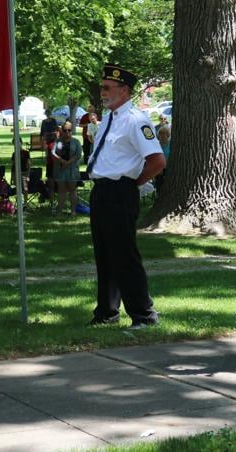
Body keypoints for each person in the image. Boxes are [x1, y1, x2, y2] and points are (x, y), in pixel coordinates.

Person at [87, 63, 166, 329]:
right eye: (102, 87)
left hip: (120, 191)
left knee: (124, 255)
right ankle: (107, 313)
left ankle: (143, 315)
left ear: (124, 91)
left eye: (107, 88)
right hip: (101, 191)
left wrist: (134, 183)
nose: (103, 92)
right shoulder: (109, 117)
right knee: (105, 254)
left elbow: (157, 161)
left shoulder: (136, 120)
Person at [52, 121, 82, 216]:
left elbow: (78, 155)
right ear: (62, 131)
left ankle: (73, 211)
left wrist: (68, 162)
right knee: (61, 191)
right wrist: (61, 161)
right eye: (65, 130)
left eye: (69, 130)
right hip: (60, 169)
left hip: (72, 170)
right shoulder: (58, 141)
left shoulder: (76, 142)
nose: (67, 132)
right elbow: (53, 152)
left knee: (73, 190)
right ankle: (60, 211)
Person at [40, 111, 59, 202]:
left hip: (56, 164)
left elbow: (57, 131)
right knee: (51, 182)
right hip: (50, 163)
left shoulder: (54, 121)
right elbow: (42, 133)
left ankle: (56, 202)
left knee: (57, 182)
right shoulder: (44, 122)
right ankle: (51, 202)